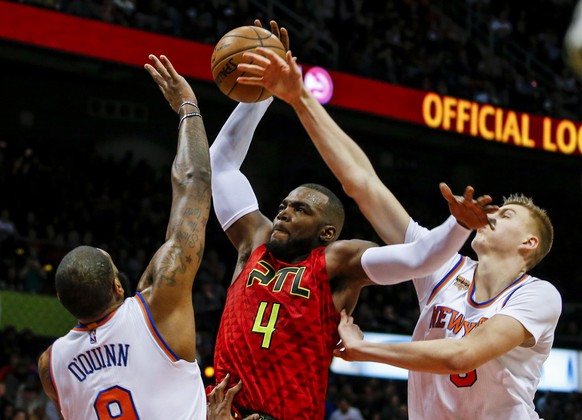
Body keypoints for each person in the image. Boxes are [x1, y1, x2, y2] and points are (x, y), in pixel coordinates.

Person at [235, 44, 562, 419]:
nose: (490, 215)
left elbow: (462, 356)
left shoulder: (538, 296)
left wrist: (365, 348)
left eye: (505, 215)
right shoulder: (443, 268)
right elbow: (363, 185)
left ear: (528, 243)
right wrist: (300, 98)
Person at [35, 54, 252, 420]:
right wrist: (188, 107)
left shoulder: (50, 367)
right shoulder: (160, 304)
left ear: (62, 300)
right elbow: (194, 184)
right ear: (118, 287)